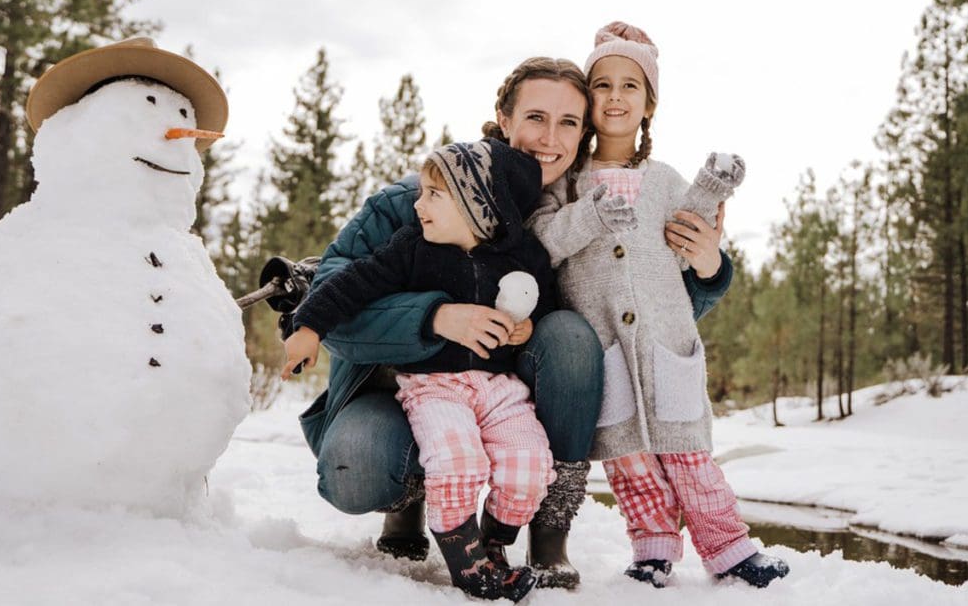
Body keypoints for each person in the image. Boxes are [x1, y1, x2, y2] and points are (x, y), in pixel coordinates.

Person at [294, 56, 733, 591]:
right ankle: (408, 499)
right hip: (402, 389)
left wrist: (709, 269)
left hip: (507, 391)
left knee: (572, 336)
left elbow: (644, 314)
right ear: (503, 119)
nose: (550, 137)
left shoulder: (585, 208)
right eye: (535, 117)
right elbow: (329, 299)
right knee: (357, 465)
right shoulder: (420, 200)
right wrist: (435, 316)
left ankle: (548, 534)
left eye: (569, 122)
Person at [527, 22, 789, 589]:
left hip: (667, 342)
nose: (616, 97)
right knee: (629, 459)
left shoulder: (664, 179)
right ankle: (652, 548)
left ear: (650, 104)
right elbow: (542, 241)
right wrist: (592, 213)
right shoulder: (566, 183)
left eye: (631, 86)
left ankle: (729, 548)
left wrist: (714, 190)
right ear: (587, 98)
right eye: (603, 85)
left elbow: (694, 233)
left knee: (688, 453)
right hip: (604, 346)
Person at [281, 139, 554, 601]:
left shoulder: (520, 256)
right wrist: (308, 326)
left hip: (497, 387)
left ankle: (493, 542)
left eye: (433, 194)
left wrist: (525, 330)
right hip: (435, 387)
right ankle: (466, 561)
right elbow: (353, 283)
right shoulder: (412, 248)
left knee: (530, 462)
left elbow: (547, 300)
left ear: (477, 206)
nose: (419, 204)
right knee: (457, 461)